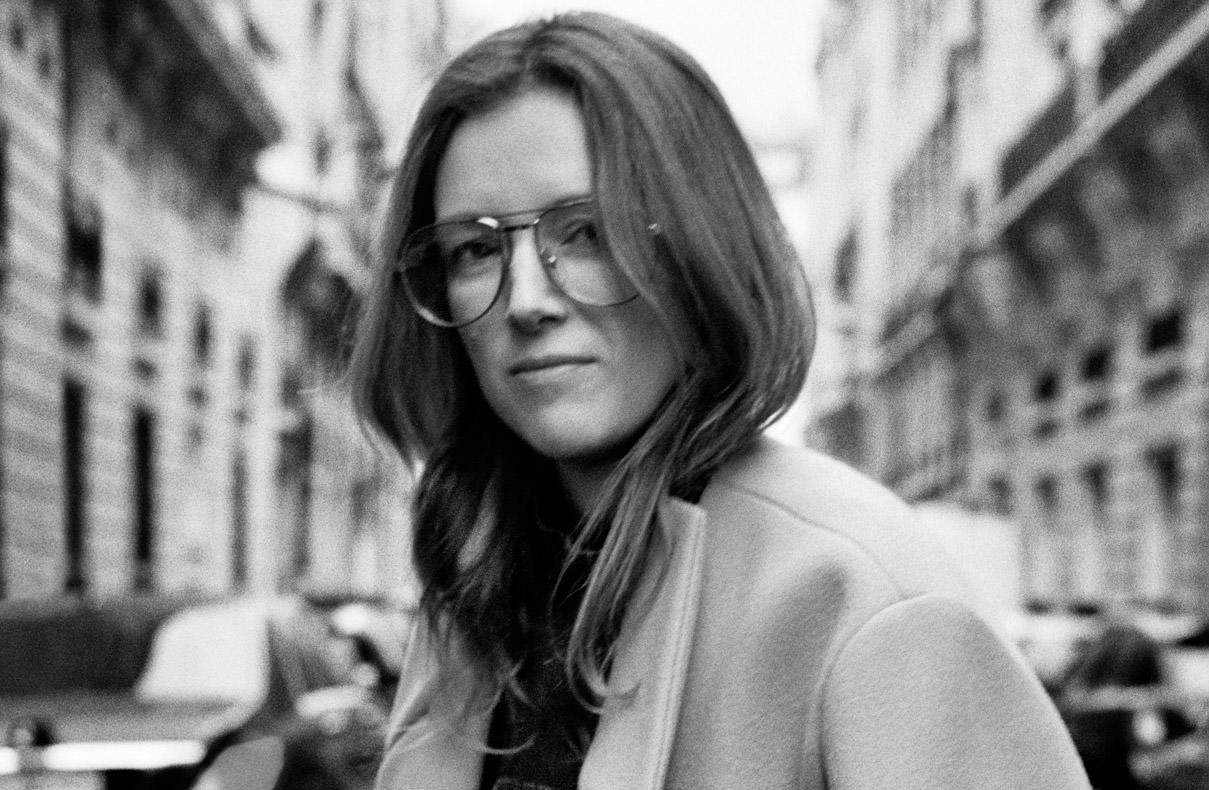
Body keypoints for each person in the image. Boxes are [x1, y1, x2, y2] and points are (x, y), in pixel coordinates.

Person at [348, 11, 1090, 790]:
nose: (526, 300)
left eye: (588, 232)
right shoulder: (476, 585)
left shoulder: (863, 598)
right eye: (475, 249)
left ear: (698, 247)